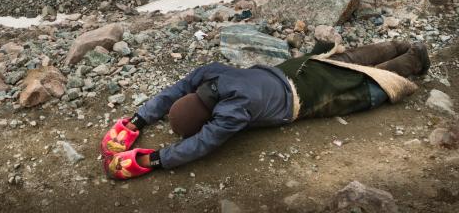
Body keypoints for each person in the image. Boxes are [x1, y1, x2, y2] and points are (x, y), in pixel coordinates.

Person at [100, 40, 430, 180]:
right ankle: (397, 45)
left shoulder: (233, 113)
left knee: (361, 88)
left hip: (307, 96)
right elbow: (174, 91)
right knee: (346, 61)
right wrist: (137, 119)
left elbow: (203, 144)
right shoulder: (211, 73)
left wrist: (154, 159)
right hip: (291, 69)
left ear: (207, 117)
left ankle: (412, 60)